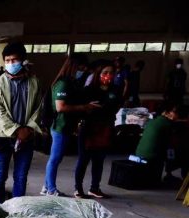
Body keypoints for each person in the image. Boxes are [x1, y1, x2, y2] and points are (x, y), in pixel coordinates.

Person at [0, 42, 43, 204]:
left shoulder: (34, 83)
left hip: (27, 135)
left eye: (15, 60)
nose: (11, 63)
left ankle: (17, 210)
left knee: (20, 176)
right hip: (1, 136)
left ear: (23, 60)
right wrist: (17, 130)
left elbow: (39, 108)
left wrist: (29, 129)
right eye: (8, 60)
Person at [41, 53, 99, 196]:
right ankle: (51, 189)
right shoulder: (63, 83)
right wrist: (84, 107)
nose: (83, 71)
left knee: (57, 157)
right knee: (55, 158)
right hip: (60, 126)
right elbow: (60, 107)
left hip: (66, 126)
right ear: (74, 66)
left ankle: (46, 186)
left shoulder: (71, 82)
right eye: (81, 68)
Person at [74, 61, 121, 199]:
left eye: (111, 73)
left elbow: (116, 106)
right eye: (105, 72)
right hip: (88, 129)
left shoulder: (115, 90)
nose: (108, 75)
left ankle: (95, 188)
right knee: (83, 160)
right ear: (98, 74)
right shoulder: (89, 90)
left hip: (105, 129)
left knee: (99, 160)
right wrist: (87, 107)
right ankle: (78, 189)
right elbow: (79, 108)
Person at [131, 103, 188, 181]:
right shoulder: (168, 125)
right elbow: (172, 143)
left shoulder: (153, 121)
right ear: (168, 113)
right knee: (176, 151)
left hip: (139, 154)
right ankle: (170, 175)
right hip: (152, 158)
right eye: (176, 113)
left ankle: (169, 174)